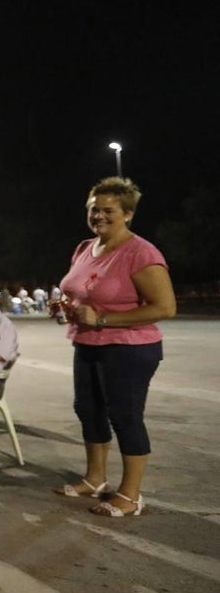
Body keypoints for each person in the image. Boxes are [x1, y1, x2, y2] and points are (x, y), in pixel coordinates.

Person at [52, 177, 176, 517]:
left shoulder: (140, 253)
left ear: (128, 214)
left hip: (129, 348)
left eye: (108, 210)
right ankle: (95, 479)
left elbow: (165, 307)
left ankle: (131, 495)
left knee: (125, 416)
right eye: (94, 209)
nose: (99, 216)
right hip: (88, 343)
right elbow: (81, 292)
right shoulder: (84, 248)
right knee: (87, 409)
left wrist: (102, 319)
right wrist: (66, 306)